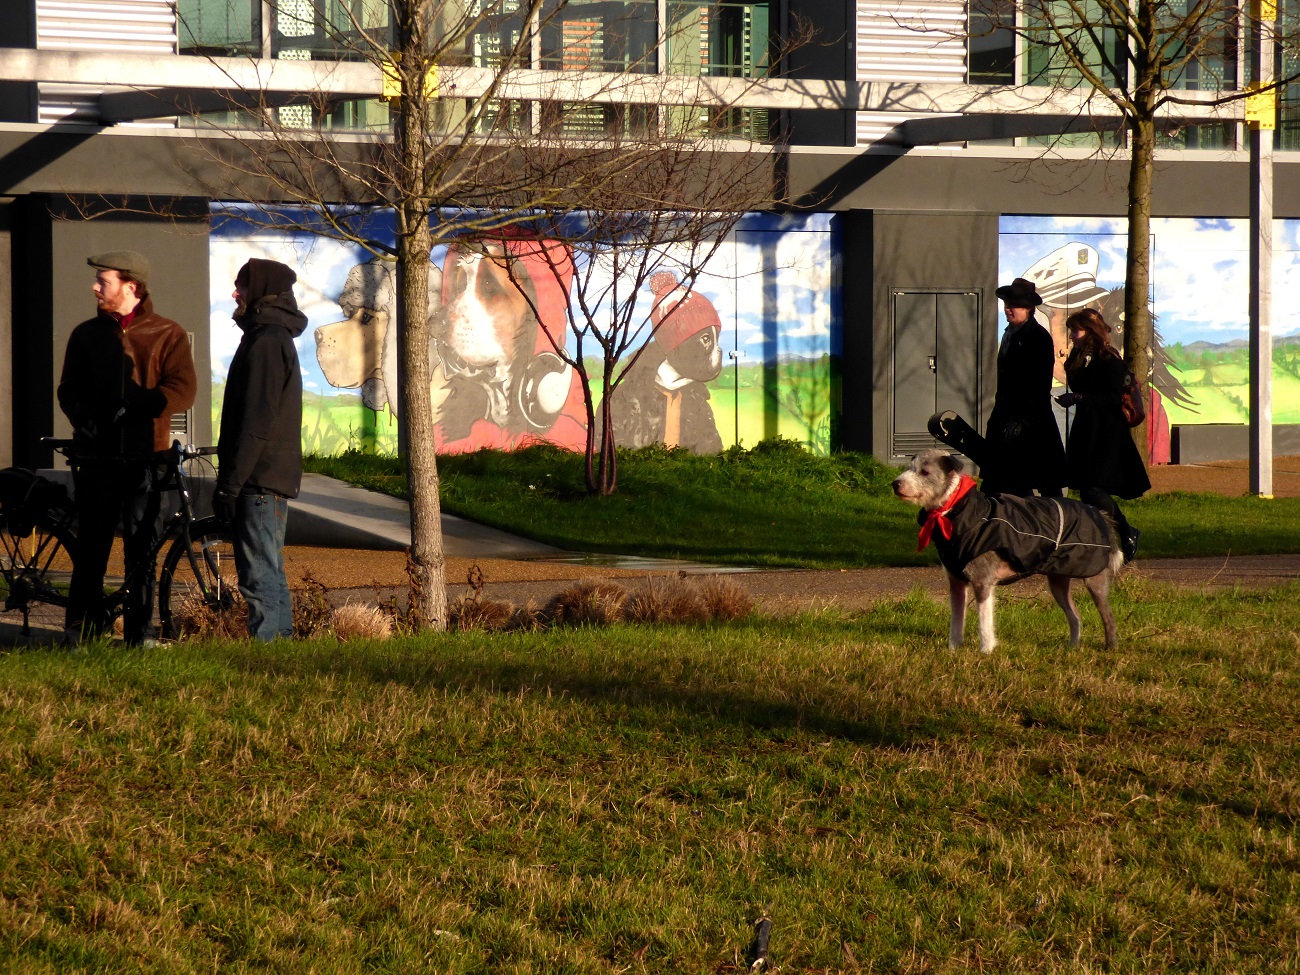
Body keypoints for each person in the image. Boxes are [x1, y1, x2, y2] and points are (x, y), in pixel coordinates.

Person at [57, 250, 197, 644]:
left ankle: (141, 635)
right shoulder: (86, 334)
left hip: (146, 460)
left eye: (104, 281)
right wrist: (86, 423)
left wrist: (138, 406)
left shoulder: (167, 334)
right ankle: (79, 632)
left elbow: (183, 390)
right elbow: (68, 390)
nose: (94, 287)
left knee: (143, 551)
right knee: (91, 552)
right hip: (97, 459)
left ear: (131, 286)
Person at [215, 258, 306, 641]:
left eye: (243, 286)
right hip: (264, 477)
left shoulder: (268, 341)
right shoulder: (267, 336)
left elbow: (256, 420)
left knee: (258, 574)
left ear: (262, 291)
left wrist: (231, 485)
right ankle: (281, 649)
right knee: (267, 569)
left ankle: (270, 654)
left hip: (260, 479)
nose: (235, 292)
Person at [1056, 308, 1150, 562]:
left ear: (1090, 332)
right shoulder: (1079, 356)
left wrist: (1078, 397)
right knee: (1086, 490)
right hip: (1087, 429)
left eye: (1076, 330)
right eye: (1072, 330)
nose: (1072, 335)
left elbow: (1113, 396)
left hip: (1106, 432)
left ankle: (1125, 530)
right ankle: (1105, 539)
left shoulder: (1108, 358)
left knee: (1093, 489)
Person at [981, 277, 1066, 497]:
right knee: (1001, 481)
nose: (1008, 309)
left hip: (1031, 420)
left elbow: (1039, 383)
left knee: (1045, 482)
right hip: (1005, 416)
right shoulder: (1009, 334)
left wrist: (1023, 420)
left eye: (1014, 305)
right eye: (1007, 304)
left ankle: (1062, 521)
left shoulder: (1038, 337)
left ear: (1028, 308)